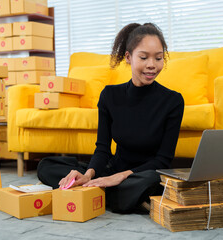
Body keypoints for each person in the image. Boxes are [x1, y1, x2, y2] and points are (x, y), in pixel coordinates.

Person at [37, 23, 184, 213]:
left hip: (143, 174)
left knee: (151, 181)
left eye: (158, 58)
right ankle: (105, 192)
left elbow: (163, 161)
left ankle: (102, 193)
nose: (152, 65)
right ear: (128, 57)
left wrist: (120, 177)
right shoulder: (110, 95)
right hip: (112, 168)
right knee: (46, 165)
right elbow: (103, 149)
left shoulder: (172, 101)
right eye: (144, 57)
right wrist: (88, 175)